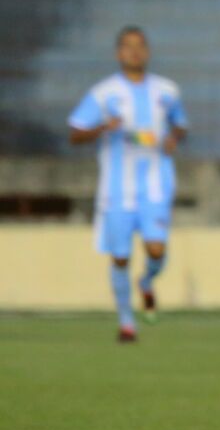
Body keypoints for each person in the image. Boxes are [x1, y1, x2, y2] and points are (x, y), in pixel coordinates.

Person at [68, 26, 188, 342]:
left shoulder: (167, 91)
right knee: (120, 256)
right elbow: (75, 133)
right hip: (117, 189)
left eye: (139, 46)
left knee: (156, 249)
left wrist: (175, 137)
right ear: (118, 53)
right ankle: (126, 322)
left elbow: (180, 125)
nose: (134, 52)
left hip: (155, 184)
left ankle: (146, 282)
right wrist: (103, 128)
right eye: (127, 46)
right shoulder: (104, 94)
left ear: (147, 52)